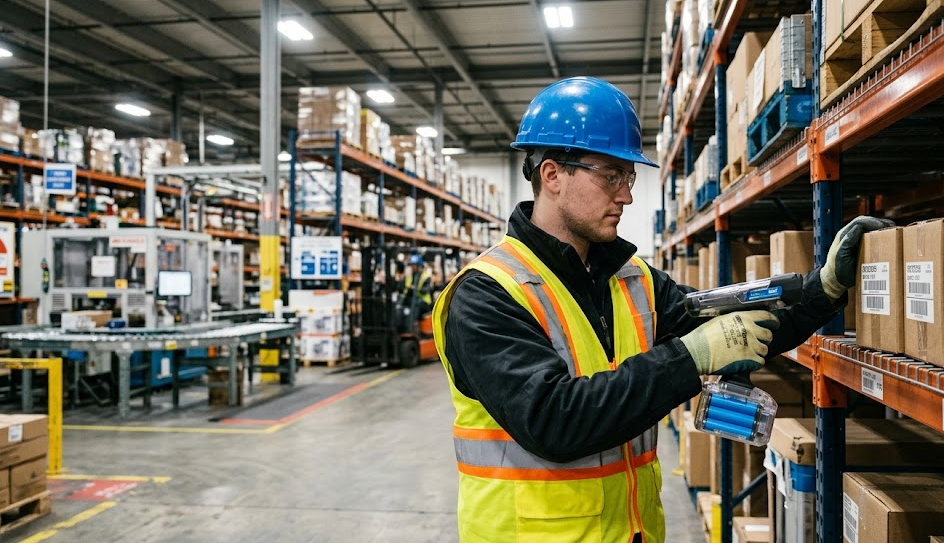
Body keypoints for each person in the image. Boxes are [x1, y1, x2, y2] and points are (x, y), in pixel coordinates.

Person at [431, 76, 893, 543]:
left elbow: (736, 329)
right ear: (552, 175)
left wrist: (824, 289)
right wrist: (691, 358)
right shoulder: (486, 293)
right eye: (611, 175)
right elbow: (553, 419)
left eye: (628, 178)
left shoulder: (633, 279)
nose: (627, 195)